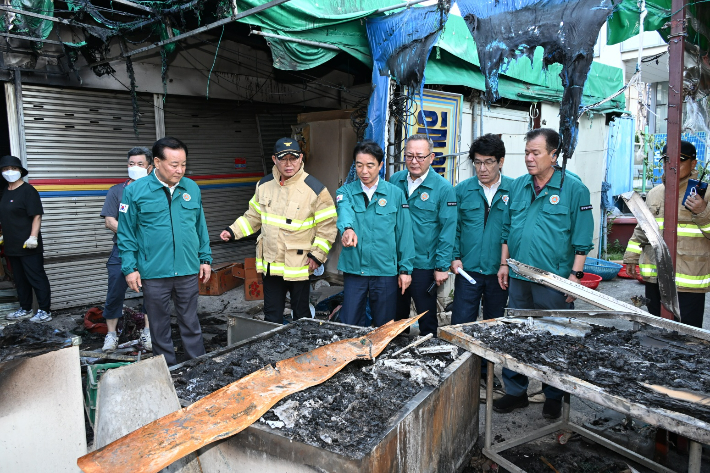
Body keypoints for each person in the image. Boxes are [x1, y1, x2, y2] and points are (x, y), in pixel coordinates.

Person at [495, 128, 594, 419]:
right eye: (526, 152)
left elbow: (582, 238)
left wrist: (574, 278)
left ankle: (554, 394)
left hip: (553, 281)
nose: (528, 158)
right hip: (519, 275)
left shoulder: (574, 189)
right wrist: (504, 264)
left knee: (555, 337)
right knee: (516, 335)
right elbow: (507, 229)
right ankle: (515, 392)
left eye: (535, 153)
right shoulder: (519, 186)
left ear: (553, 155)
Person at [117, 137, 212, 366]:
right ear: (157, 162)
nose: (179, 170)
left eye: (183, 164)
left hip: (188, 268)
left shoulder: (191, 187)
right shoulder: (136, 191)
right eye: (174, 165)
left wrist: (205, 258)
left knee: (190, 320)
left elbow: (200, 226)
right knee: (158, 324)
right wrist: (130, 269)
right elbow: (126, 233)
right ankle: (167, 367)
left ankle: (198, 365)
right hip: (153, 271)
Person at [220, 138, 337, 323]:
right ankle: (273, 351)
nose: (289, 164)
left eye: (293, 158)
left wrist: (317, 256)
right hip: (271, 264)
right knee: (271, 315)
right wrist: (233, 231)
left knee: (301, 315)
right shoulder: (264, 185)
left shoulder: (315, 189)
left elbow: (327, 227)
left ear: (301, 158)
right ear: (275, 159)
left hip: (299, 265)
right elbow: (253, 217)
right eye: (283, 159)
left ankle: (301, 348)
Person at [624, 140, 710, 327]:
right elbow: (642, 227)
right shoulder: (655, 193)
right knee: (657, 330)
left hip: (689, 280)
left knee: (687, 334)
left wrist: (703, 212)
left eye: (681, 160)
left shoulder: (706, 194)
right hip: (656, 276)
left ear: (693, 163)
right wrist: (631, 256)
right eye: (666, 160)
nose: (671, 165)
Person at [335, 140, 414, 327]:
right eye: (359, 165)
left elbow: (405, 234)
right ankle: (354, 356)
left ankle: (381, 356)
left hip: (385, 270)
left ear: (380, 165)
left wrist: (405, 270)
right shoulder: (345, 192)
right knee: (350, 323)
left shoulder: (395, 194)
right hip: (355, 268)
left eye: (370, 165)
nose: (364, 171)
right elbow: (344, 211)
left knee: (384, 325)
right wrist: (347, 229)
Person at [389, 135, 456, 336]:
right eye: (409, 156)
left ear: (431, 157)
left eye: (420, 156)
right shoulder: (395, 181)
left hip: (424, 264)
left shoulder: (443, 188)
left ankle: (427, 354)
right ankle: (396, 357)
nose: (414, 161)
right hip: (396, 261)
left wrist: (442, 266)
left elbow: (448, 229)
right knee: (396, 315)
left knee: (426, 316)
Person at [451, 134, 512, 325]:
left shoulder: (514, 189)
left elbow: (514, 230)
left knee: (494, 326)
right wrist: (454, 256)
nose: (482, 169)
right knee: (461, 324)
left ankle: (487, 357)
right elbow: (453, 227)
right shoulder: (461, 190)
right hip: (468, 270)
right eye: (477, 163)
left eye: (488, 162)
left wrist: (506, 264)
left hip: (499, 271)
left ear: (500, 162)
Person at [99, 147, 154, 352]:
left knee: (151, 291)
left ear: (150, 167)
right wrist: (131, 233)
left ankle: (148, 332)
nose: (135, 168)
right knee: (114, 290)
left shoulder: (156, 190)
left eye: (140, 164)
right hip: (121, 249)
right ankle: (111, 335)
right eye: (131, 164)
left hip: (150, 252)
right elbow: (109, 221)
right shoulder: (117, 191)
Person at [0, 155, 52, 322]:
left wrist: (33, 237)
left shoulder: (28, 191)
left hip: (28, 245)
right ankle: (25, 308)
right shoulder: (5, 192)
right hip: (12, 244)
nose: (10, 172)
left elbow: (36, 216)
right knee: (20, 279)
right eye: (6, 169)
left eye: (14, 169)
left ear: (20, 171)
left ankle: (45, 311)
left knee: (36, 277)